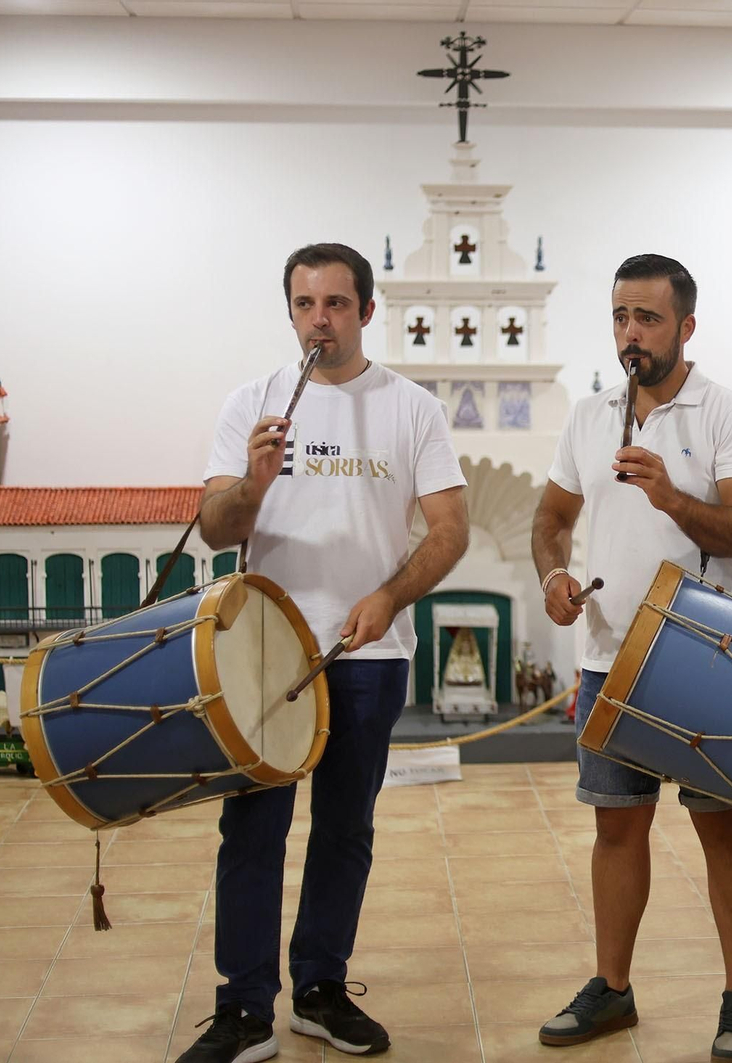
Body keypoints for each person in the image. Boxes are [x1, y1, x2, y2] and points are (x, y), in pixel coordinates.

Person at [179, 242, 469, 1063]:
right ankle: (242, 1009)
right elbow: (215, 527)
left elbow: (451, 533)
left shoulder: (412, 408)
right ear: (291, 313)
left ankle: (319, 987)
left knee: (345, 827)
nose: (320, 320)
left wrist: (390, 595)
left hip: (369, 654)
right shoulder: (253, 403)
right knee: (253, 826)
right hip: (264, 648)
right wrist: (253, 483)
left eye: (337, 304)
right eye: (305, 305)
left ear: (367, 312)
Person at [531, 253, 732, 1062]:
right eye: (620, 318)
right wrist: (555, 575)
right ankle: (613, 988)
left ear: (686, 327)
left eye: (648, 319)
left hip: (707, 656)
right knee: (615, 830)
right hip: (610, 657)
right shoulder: (590, 414)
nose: (630, 334)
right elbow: (551, 517)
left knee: (724, 832)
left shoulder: (727, 414)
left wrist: (671, 495)